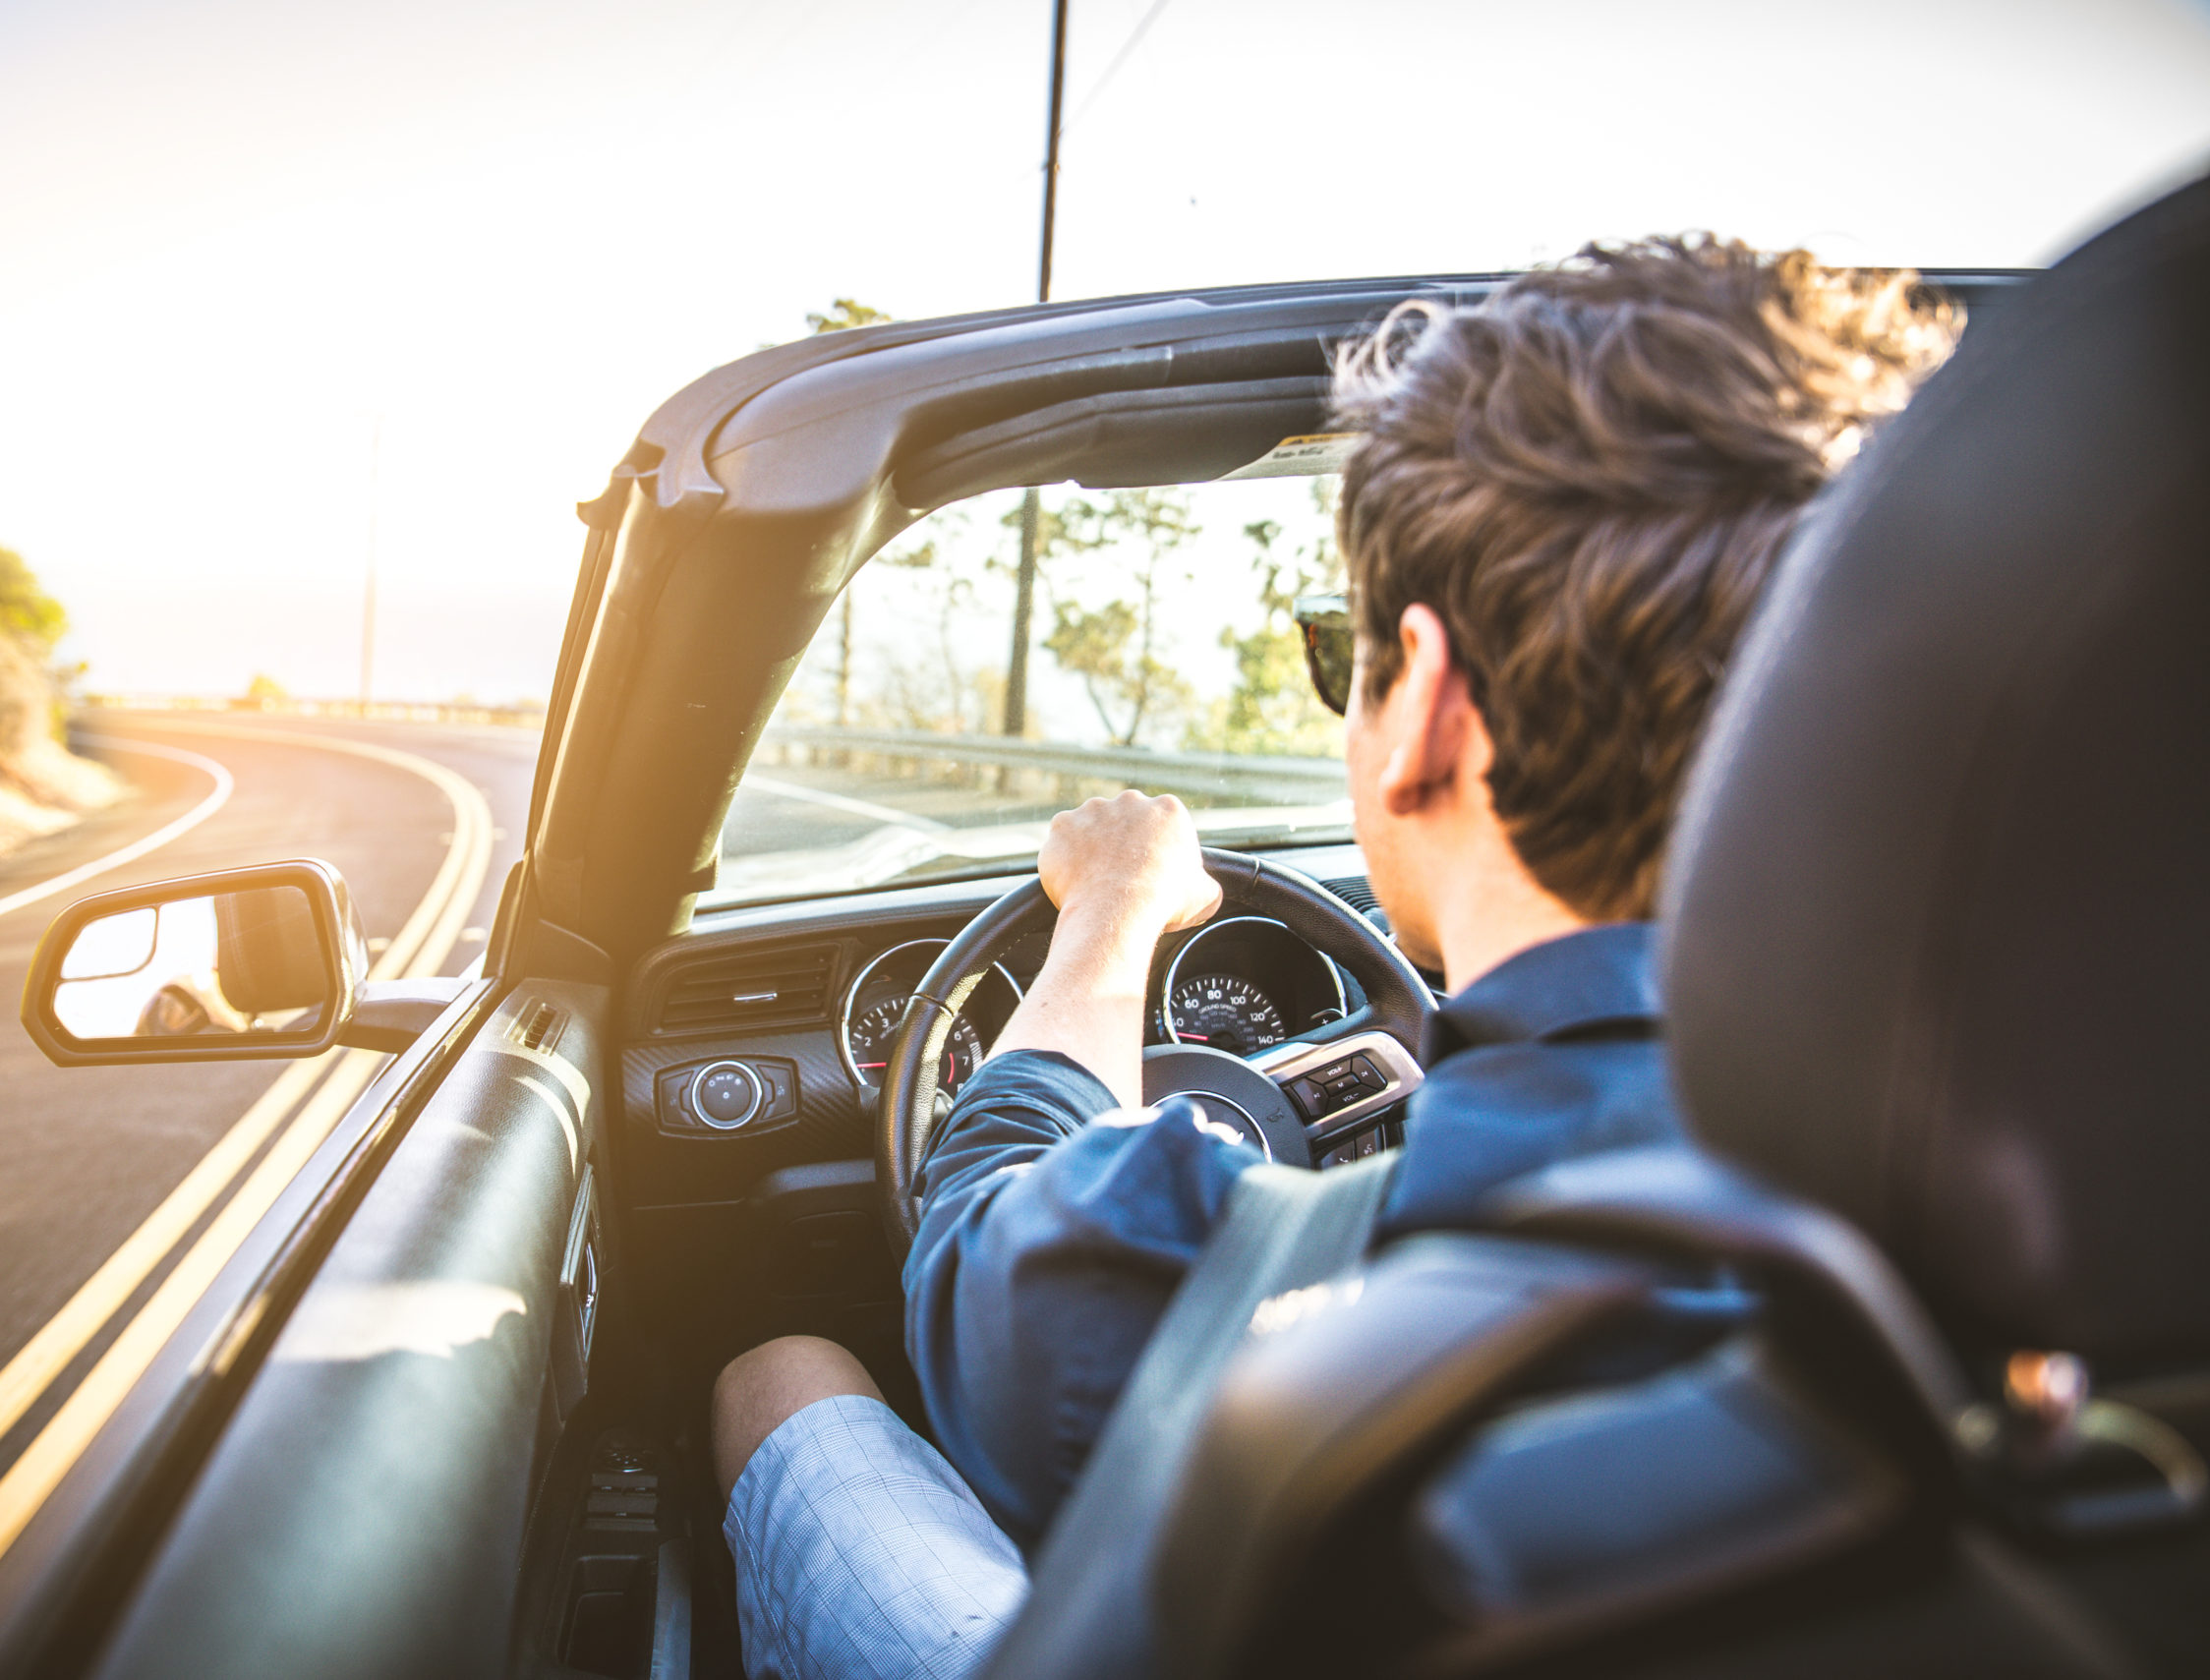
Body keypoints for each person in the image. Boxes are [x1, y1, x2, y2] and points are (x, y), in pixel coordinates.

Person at [711, 236, 1960, 1680]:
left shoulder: (1209, 1274)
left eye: (1340, 654)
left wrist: (1110, 911)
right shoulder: (2076, 1195)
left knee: (782, 1372)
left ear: (1422, 699)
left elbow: (975, 1230)